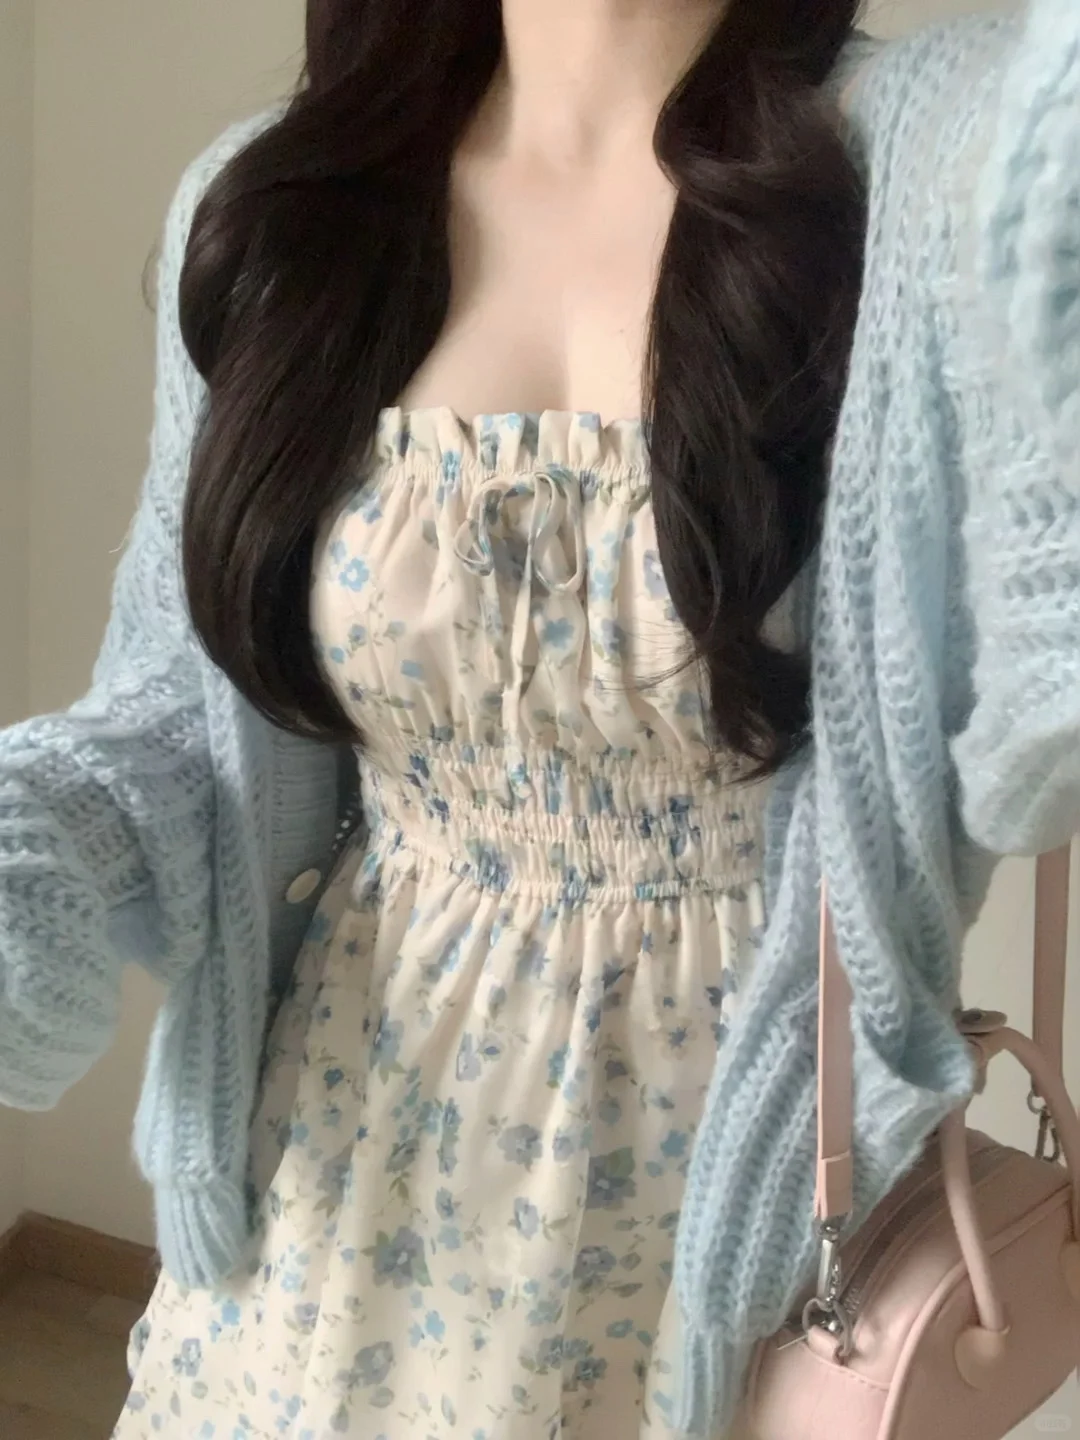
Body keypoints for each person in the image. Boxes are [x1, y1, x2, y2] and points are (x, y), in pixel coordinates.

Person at [1, 0, 1077, 1434]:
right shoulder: (283, 205)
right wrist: (28, 863)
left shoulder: (933, 168)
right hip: (340, 1187)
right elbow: (172, 727)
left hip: (747, 1207)